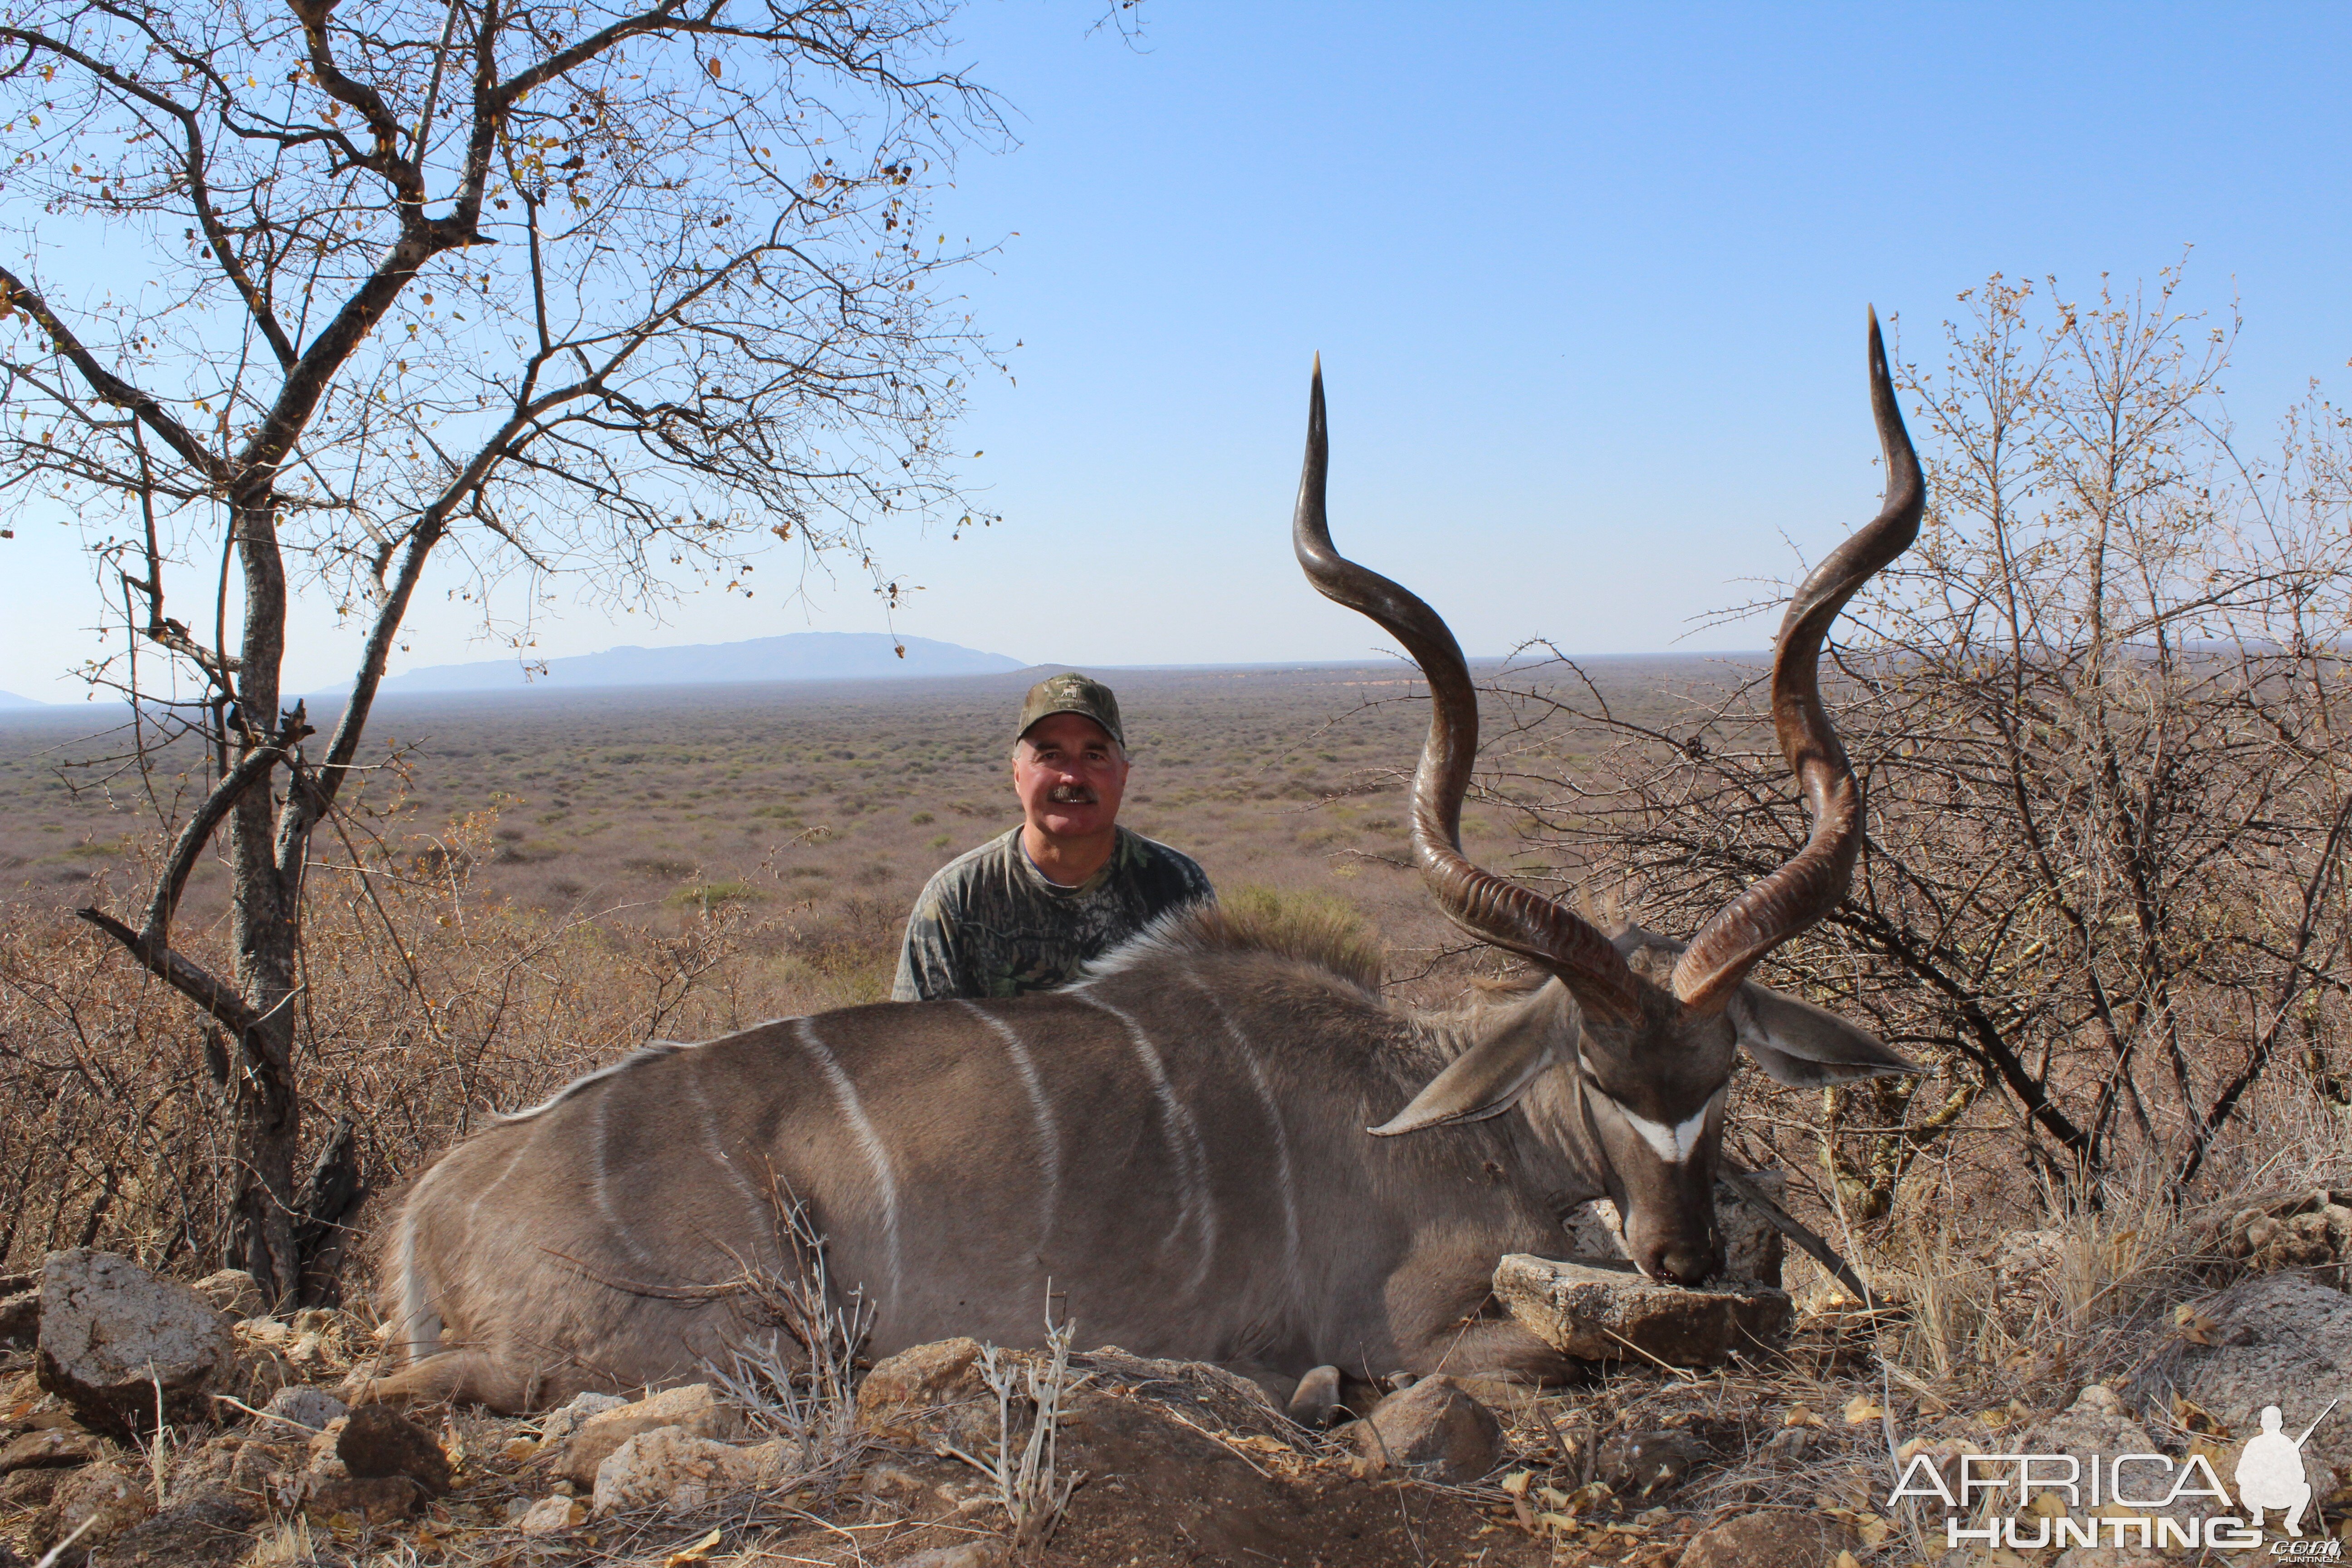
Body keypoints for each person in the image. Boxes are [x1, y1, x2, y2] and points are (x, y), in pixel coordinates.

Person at [891, 673, 1213, 1000]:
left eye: (1094, 756)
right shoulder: (956, 898)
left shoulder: (1178, 885)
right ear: (1017, 775)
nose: (1072, 776)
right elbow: (918, 1045)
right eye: (1050, 756)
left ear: (1123, 775)